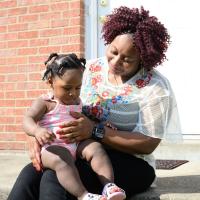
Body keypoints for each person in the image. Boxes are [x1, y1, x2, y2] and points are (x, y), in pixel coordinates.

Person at [8, 5, 181, 200]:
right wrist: (35, 135)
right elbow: (51, 102)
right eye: (113, 51)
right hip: (77, 149)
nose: (115, 62)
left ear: (143, 59)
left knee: (54, 178)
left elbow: (148, 144)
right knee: (28, 176)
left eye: (127, 59)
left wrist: (95, 131)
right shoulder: (89, 69)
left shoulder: (156, 88)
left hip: (130, 162)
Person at [21, 52, 126, 200]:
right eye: (67, 88)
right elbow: (27, 119)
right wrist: (36, 130)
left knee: (96, 148)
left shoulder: (77, 102)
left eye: (78, 88)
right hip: (52, 149)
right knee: (62, 159)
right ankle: (83, 195)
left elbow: (84, 118)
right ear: (51, 81)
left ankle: (109, 186)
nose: (73, 93)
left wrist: (101, 124)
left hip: (76, 145)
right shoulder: (45, 102)